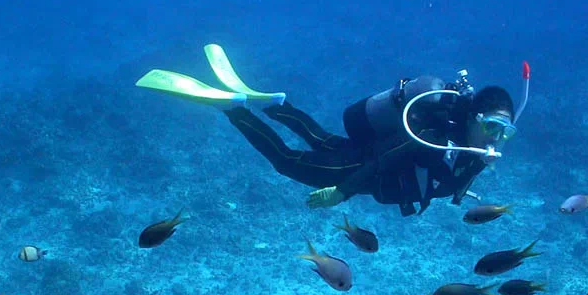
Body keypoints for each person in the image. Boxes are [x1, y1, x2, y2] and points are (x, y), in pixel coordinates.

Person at [136, 45, 528, 216]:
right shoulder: (437, 140)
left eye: (505, 133)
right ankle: (233, 110)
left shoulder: (470, 146)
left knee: (320, 138)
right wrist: (341, 192)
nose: (497, 139)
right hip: (362, 170)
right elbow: (390, 158)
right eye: (493, 127)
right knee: (286, 161)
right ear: (475, 118)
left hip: (364, 154)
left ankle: (275, 103)